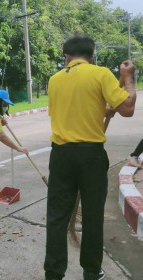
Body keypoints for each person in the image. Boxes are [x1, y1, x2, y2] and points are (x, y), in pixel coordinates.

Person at [45, 35, 136, 280]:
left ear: (67, 57)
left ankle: (53, 273)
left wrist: (107, 108)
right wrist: (128, 80)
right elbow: (127, 108)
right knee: (93, 215)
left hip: (61, 155)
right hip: (90, 156)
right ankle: (92, 271)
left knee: (57, 217)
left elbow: (76, 108)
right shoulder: (100, 73)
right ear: (91, 55)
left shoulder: (53, 80)